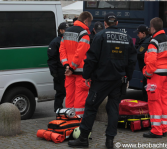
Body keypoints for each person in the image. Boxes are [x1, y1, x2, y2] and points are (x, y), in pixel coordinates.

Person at [68, 12, 137, 148]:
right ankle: (109, 140)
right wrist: (128, 77)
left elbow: (91, 59)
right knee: (113, 109)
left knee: (91, 107)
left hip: (101, 80)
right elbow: (132, 61)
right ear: (117, 23)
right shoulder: (127, 38)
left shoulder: (100, 36)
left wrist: (87, 75)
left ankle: (83, 139)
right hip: (118, 80)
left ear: (105, 24)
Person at [142, 17, 167, 138]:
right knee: (164, 101)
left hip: (155, 76)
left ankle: (156, 130)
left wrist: (147, 73)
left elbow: (151, 61)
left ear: (152, 27)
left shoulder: (154, 42)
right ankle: (163, 128)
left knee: (154, 102)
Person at [59, 11, 93, 117]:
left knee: (69, 96)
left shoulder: (66, 32)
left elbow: (62, 51)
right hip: (80, 72)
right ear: (86, 21)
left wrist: (66, 66)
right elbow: (80, 54)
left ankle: (69, 119)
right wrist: (73, 67)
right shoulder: (84, 34)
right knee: (80, 98)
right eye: (90, 22)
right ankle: (78, 122)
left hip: (69, 71)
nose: (90, 25)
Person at [47, 22, 69, 112]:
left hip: (66, 70)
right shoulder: (56, 42)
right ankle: (58, 110)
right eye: (65, 30)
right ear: (61, 30)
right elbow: (52, 59)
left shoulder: (67, 40)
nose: (67, 32)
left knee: (66, 92)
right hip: (59, 71)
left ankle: (63, 111)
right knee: (60, 92)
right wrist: (54, 73)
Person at [134, 25, 151, 102]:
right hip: (145, 70)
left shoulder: (147, 41)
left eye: (139, 33)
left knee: (146, 89)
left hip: (147, 70)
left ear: (144, 33)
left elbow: (139, 53)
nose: (137, 35)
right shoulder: (143, 40)